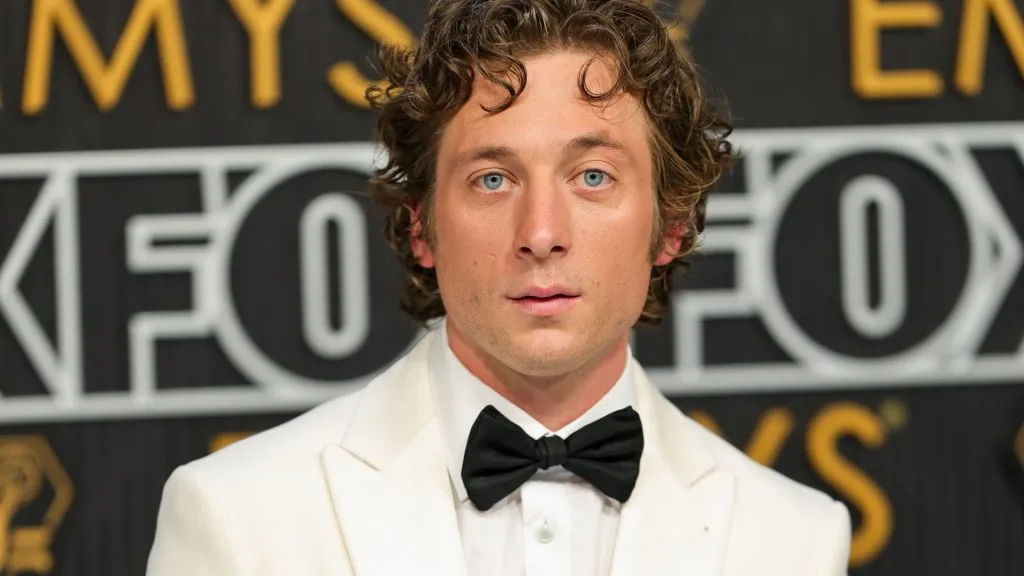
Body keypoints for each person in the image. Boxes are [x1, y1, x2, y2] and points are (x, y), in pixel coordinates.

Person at [146, 0, 851, 574]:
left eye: (593, 177)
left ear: (669, 225)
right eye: (493, 179)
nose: (541, 232)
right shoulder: (237, 518)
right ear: (421, 227)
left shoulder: (793, 539)